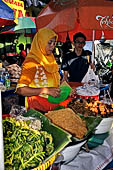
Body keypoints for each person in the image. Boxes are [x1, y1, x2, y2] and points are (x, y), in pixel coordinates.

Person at [16, 27, 61, 112]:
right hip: (37, 109)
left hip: (51, 107)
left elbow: (55, 83)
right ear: (41, 42)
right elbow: (21, 90)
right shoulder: (31, 62)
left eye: (54, 43)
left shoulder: (51, 59)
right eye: (49, 43)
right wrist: (45, 90)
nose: (52, 46)